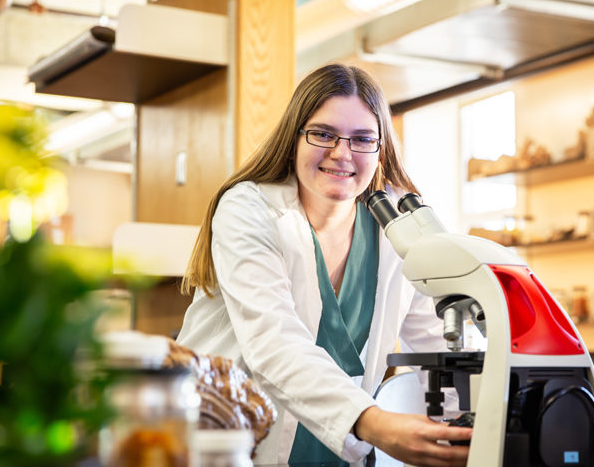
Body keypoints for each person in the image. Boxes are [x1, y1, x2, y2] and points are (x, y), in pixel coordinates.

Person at [176, 63, 472, 466]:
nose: (341, 152)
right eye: (323, 134)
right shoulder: (250, 209)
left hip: (333, 445)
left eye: (362, 138)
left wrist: (479, 424)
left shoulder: (397, 230)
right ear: (295, 137)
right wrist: (375, 424)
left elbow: (440, 342)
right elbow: (274, 342)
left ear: (380, 148)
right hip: (229, 443)